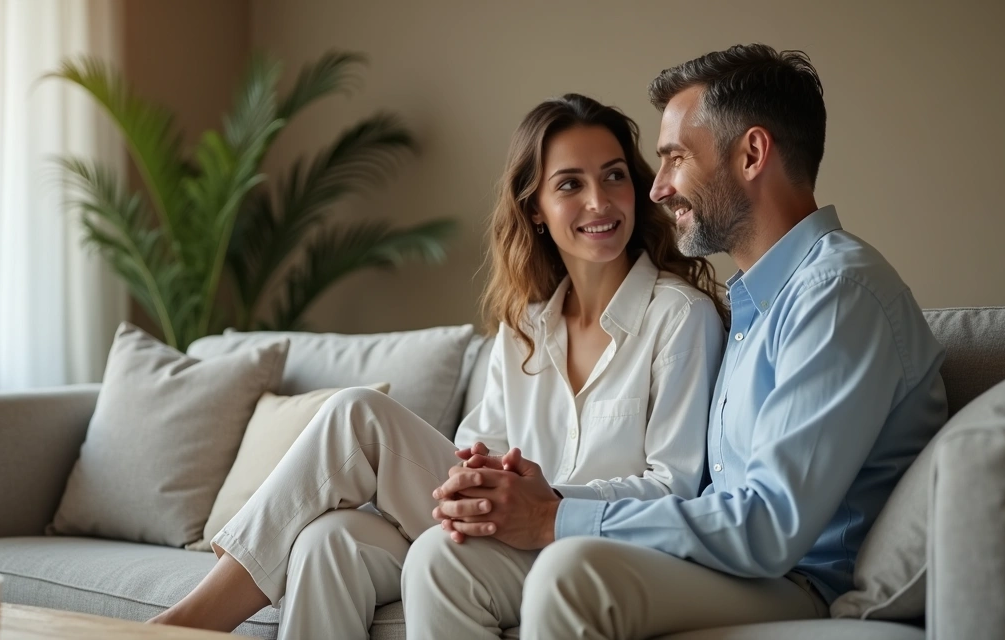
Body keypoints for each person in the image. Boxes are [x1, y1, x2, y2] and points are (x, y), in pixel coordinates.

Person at [408, 44, 949, 639]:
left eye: (675, 158)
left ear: (751, 154)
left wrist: (556, 517)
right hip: (738, 568)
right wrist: (547, 501)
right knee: (444, 558)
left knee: (571, 571)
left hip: (799, 582)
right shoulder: (755, 305)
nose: (658, 188)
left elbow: (767, 527)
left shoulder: (837, 294)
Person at [149, 92, 727, 639]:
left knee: (357, 415)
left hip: (594, 548)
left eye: (614, 176)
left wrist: (547, 498)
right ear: (536, 210)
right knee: (328, 540)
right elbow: (479, 441)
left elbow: (673, 487)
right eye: (570, 184)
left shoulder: (681, 317)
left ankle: (186, 626)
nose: (599, 202)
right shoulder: (524, 328)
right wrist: (479, 471)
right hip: (502, 530)